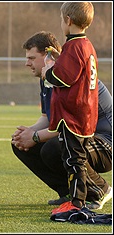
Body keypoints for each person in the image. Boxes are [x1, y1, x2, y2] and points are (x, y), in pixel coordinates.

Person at [11, 31, 112, 210]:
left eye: (32, 58)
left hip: (106, 143)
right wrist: (28, 133)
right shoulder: (48, 78)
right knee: (21, 145)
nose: (27, 63)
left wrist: (34, 136)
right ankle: (67, 192)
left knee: (57, 146)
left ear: (49, 56)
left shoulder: (67, 78)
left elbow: (69, 126)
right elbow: (47, 118)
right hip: (81, 136)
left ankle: (100, 189)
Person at [42, 2, 108, 213]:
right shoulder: (86, 45)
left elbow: (63, 77)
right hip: (85, 114)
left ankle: (77, 202)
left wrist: (48, 71)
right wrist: (60, 58)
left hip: (72, 115)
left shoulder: (74, 46)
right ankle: (81, 197)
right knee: (74, 158)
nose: (61, 24)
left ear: (68, 21)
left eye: (62, 20)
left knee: (74, 160)